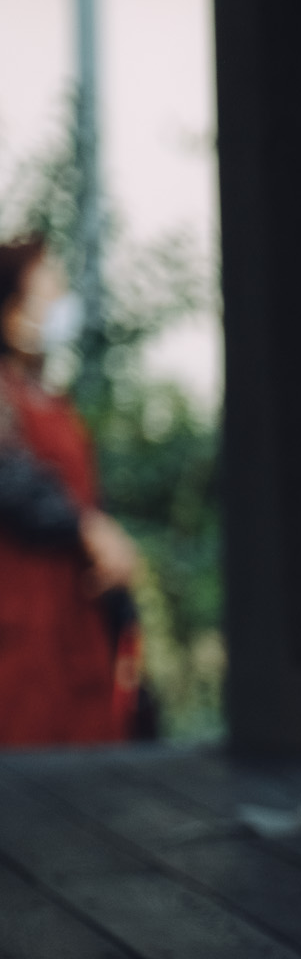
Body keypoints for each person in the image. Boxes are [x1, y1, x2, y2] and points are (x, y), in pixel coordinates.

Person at [0, 236, 143, 745]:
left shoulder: (50, 397)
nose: (60, 299)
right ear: (10, 308)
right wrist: (84, 528)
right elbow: (11, 480)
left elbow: (85, 495)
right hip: (19, 624)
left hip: (75, 621)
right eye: (46, 288)